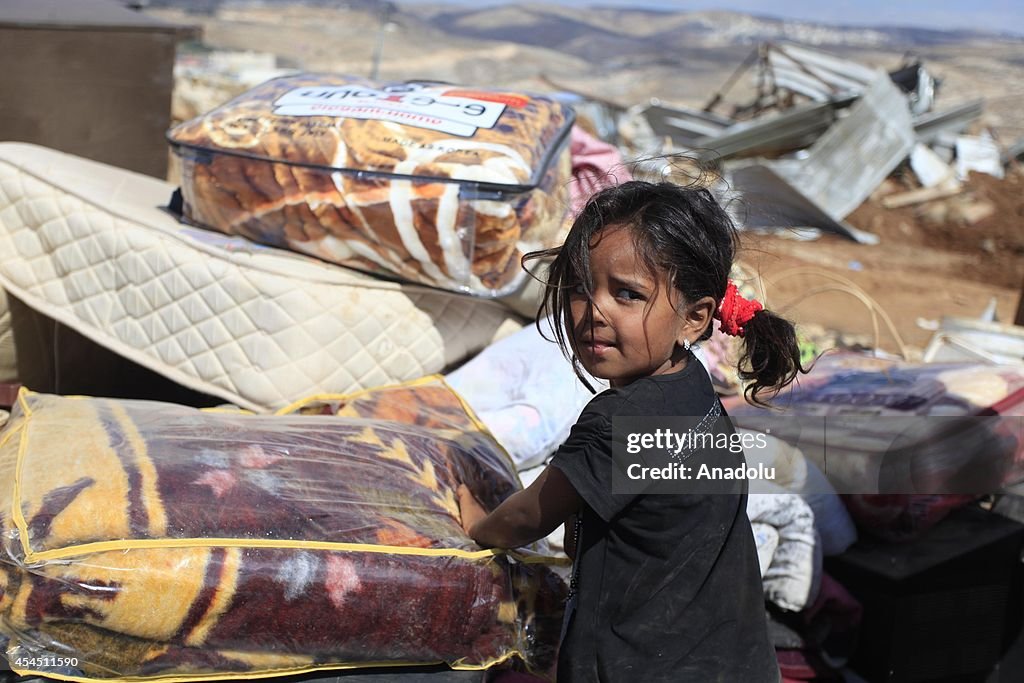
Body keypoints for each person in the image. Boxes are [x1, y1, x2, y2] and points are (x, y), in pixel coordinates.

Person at [457, 179, 806, 682]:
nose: (594, 311)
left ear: (695, 318)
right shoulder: (691, 390)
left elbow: (523, 522)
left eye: (628, 294)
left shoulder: (621, 420)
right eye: (579, 287)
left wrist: (476, 524)